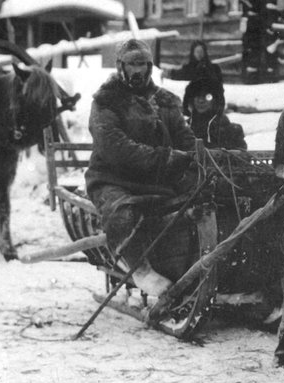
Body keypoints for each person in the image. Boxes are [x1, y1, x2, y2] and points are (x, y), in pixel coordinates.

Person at [85, 39, 202, 298]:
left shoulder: (165, 101)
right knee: (123, 213)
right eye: (132, 64)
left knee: (206, 195)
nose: (138, 70)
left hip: (160, 178)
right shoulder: (106, 102)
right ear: (121, 67)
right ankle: (142, 271)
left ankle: (196, 262)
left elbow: (185, 138)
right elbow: (115, 148)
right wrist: (166, 159)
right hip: (113, 179)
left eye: (143, 64)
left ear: (150, 67)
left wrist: (198, 155)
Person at [183, 79, 247, 149]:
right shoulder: (183, 129)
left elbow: (242, 157)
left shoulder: (231, 131)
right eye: (197, 96)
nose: (201, 101)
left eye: (207, 97)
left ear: (216, 100)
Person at [164, 40, 225, 108]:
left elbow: (219, 86)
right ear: (193, 53)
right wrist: (170, 73)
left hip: (210, 100)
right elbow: (183, 74)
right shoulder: (190, 68)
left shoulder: (213, 68)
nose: (199, 54)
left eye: (201, 51)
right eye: (197, 52)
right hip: (195, 102)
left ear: (205, 53)